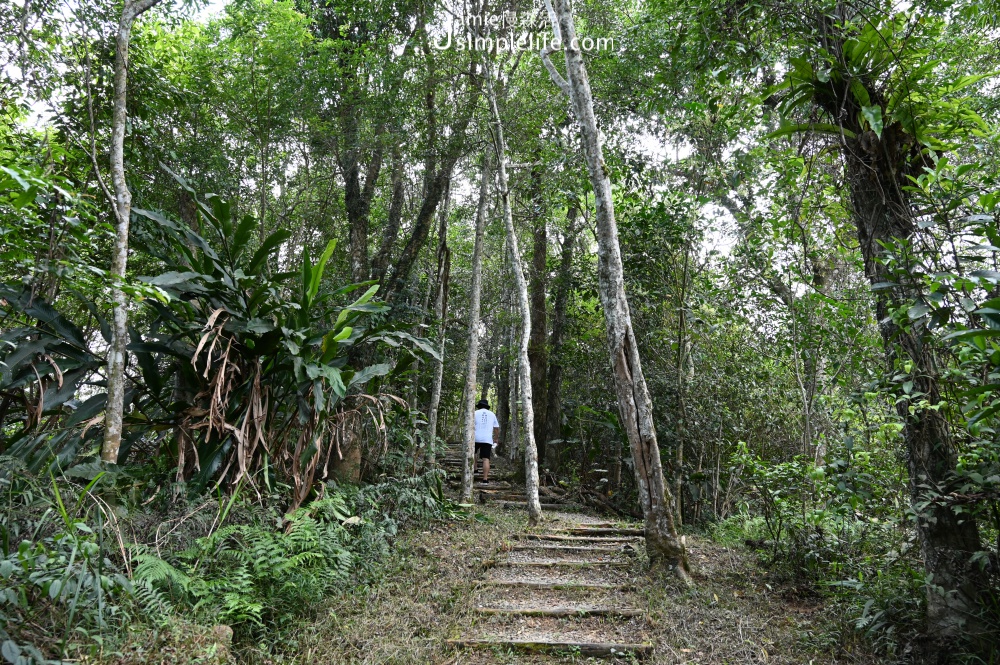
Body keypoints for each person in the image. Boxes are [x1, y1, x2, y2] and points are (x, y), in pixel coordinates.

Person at [473, 398, 500, 483]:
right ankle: (485, 479)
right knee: (486, 459)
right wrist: (495, 438)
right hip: (487, 439)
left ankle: (475, 469)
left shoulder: (474, 413)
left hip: (475, 438)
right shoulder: (492, 414)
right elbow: (496, 428)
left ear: (479, 406)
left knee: (473, 454)